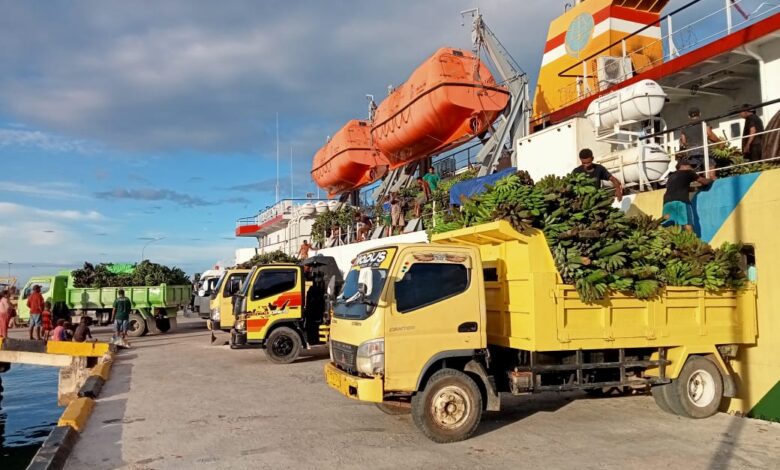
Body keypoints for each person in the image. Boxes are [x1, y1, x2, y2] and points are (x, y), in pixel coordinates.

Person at [662, 160, 714, 231]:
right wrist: (711, 179)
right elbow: (704, 181)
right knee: (687, 223)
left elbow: (682, 187)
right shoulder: (688, 172)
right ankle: (692, 241)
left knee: (668, 226)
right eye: (690, 166)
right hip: (681, 201)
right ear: (684, 166)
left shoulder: (671, 177)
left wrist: (696, 188)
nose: (691, 168)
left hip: (667, 203)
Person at [680, 107, 720, 179]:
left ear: (689, 116)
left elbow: (683, 141)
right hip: (704, 149)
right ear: (700, 114)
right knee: (711, 171)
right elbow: (710, 134)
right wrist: (719, 142)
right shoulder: (704, 122)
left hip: (691, 151)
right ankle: (713, 184)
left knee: (697, 176)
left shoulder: (684, 127)